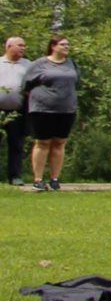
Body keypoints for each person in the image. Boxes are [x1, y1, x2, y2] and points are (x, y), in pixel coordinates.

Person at [22, 37, 78, 192]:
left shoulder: (71, 63)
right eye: (63, 44)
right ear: (53, 46)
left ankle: (54, 179)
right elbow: (26, 85)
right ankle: (38, 180)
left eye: (67, 44)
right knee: (43, 143)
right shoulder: (40, 64)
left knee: (59, 142)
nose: (66, 47)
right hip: (42, 109)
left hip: (66, 109)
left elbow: (75, 81)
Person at [0, 36, 27, 186]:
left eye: (24, 46)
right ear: (9, 46)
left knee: (16, 144)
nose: (23, 48)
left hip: (17, 111)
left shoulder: (28, 65)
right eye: (19, 45)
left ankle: (15, 176)